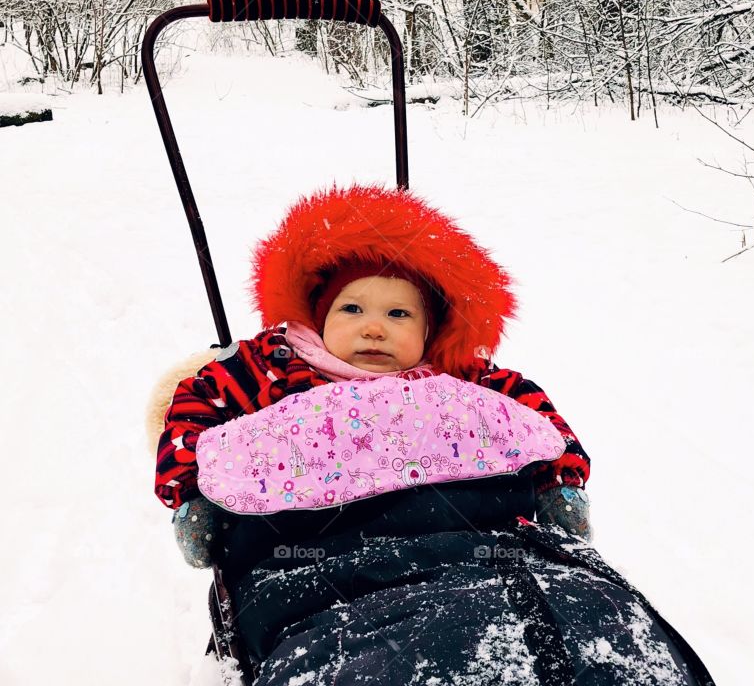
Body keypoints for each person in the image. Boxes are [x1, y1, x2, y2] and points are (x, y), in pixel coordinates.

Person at [153, 184, 592, 568]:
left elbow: (533, 416)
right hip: (314, 548)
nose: (374, 328)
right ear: (321, 318)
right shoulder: (279, 364)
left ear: (429, 332)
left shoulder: (457, 376)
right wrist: (190, 493)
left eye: (398, 314)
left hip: (458, 538)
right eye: (351, 309)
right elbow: (197, 400)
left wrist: (559, 482)